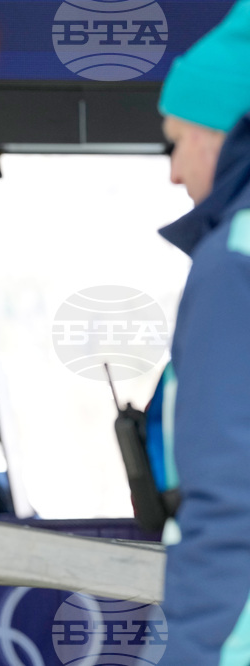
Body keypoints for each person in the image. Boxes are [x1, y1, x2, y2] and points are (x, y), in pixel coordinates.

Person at [147, 2, 250, 663]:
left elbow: (232, 493)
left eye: (176, 141)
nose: (174, 171)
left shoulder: (235, 259)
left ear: (223, 133)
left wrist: (194, 650)